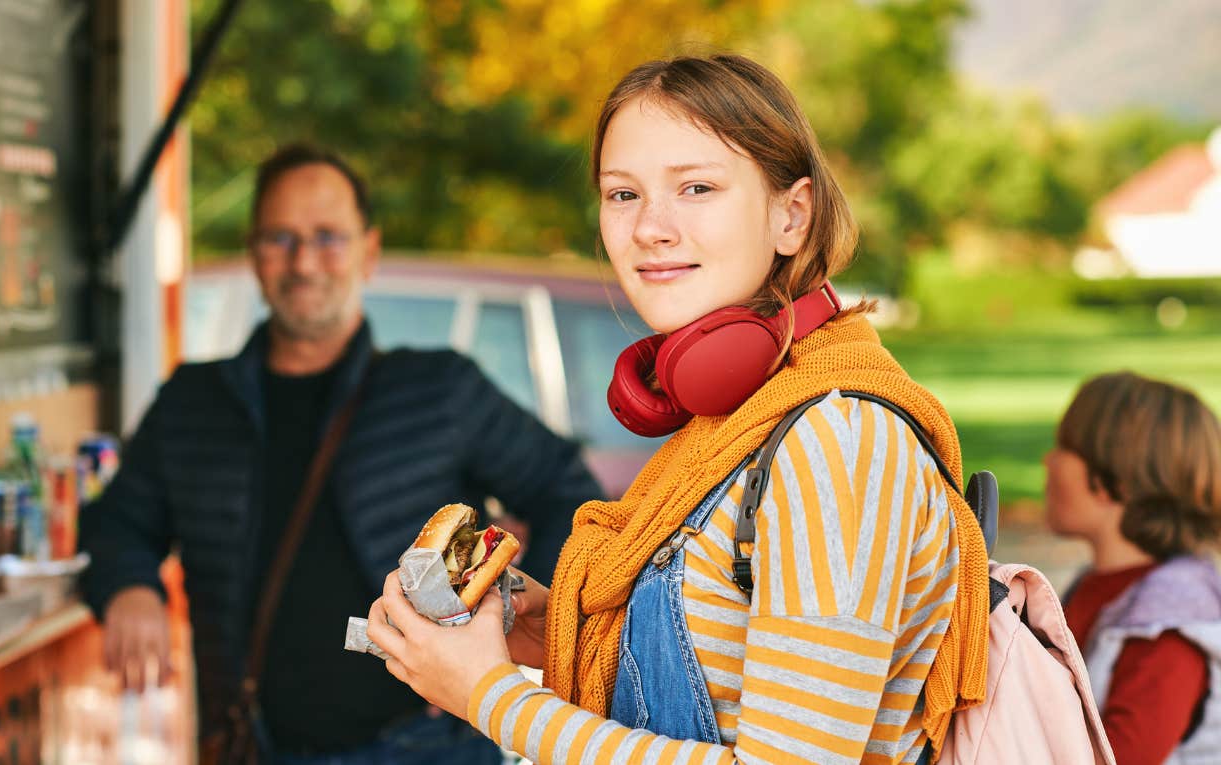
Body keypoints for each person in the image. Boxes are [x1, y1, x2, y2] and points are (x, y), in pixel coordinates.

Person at [365, 54, 991, 764]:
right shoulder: (733, 422)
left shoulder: (835, 438)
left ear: (793, 214)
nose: (651, 227)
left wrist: (488, 695)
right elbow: (730, 655)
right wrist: (541, 627)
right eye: (622, 194)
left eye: (696, 187)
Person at [78, 144, 602, 764]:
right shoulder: (194, 401)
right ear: (253, 252)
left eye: (328, 237)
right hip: (250, 743)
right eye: (281, 237)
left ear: (368, 252)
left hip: (426, 745)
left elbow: (571, 493)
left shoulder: (439, 388)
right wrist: (130, 588)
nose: (304, 261)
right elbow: (116, 523)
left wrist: (501, 630)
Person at [1046, 371, 1221, 764]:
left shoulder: (1167, 624)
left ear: (1116, 481)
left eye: (1063, 447)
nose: (1048, 460)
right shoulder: (1096, 586)